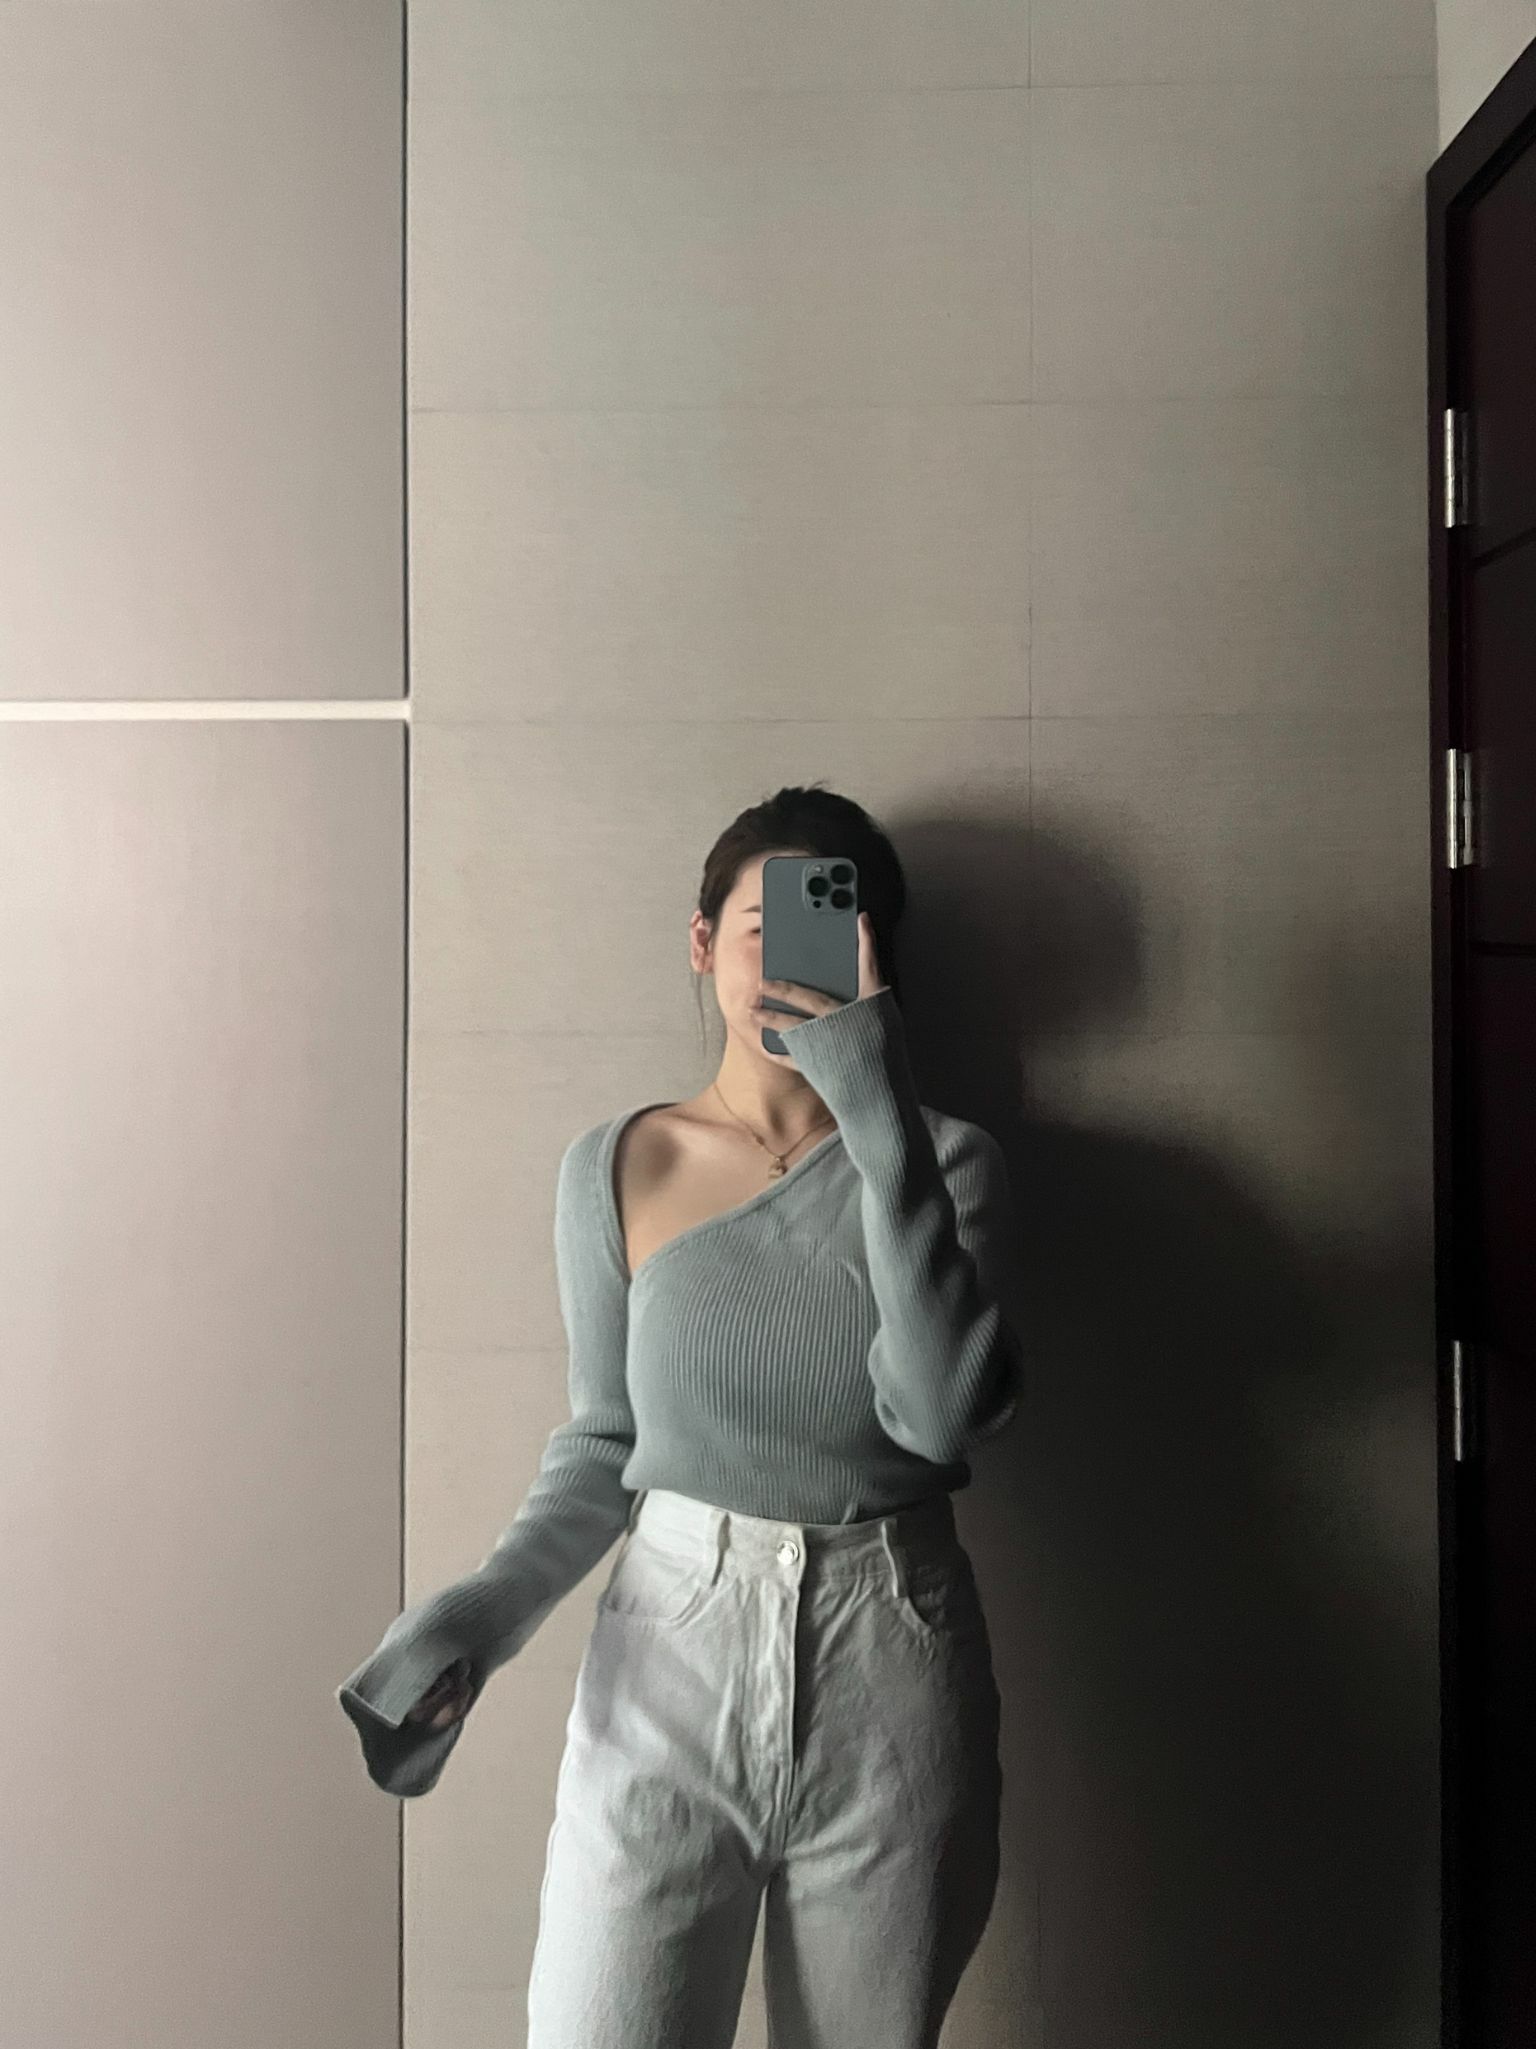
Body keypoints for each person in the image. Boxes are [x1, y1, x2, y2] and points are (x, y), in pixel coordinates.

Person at [336, 783, 1026, 2049]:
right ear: (703, 943)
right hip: (669, 1656)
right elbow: (606, 1444)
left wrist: (875, 1105)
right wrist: (479, 1617)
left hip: (892, 1652)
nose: (794, 962)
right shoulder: (617, 1164)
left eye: (835, 931)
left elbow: (939, 1419)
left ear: (879, 964)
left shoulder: (948, 1161)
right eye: (766, 929)